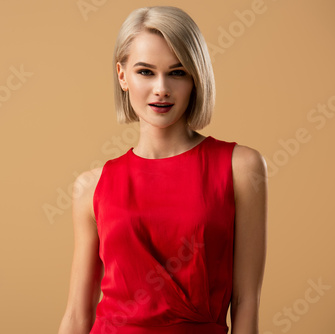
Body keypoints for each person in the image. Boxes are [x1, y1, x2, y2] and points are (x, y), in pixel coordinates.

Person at [58, 5, 267, 334]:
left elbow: (246, 302)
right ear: (122, 76)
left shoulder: (240, 167)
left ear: (196, 78)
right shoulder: (91, 187)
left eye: (177, 72)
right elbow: (76, 316)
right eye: (145, 72)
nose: (161, 88)